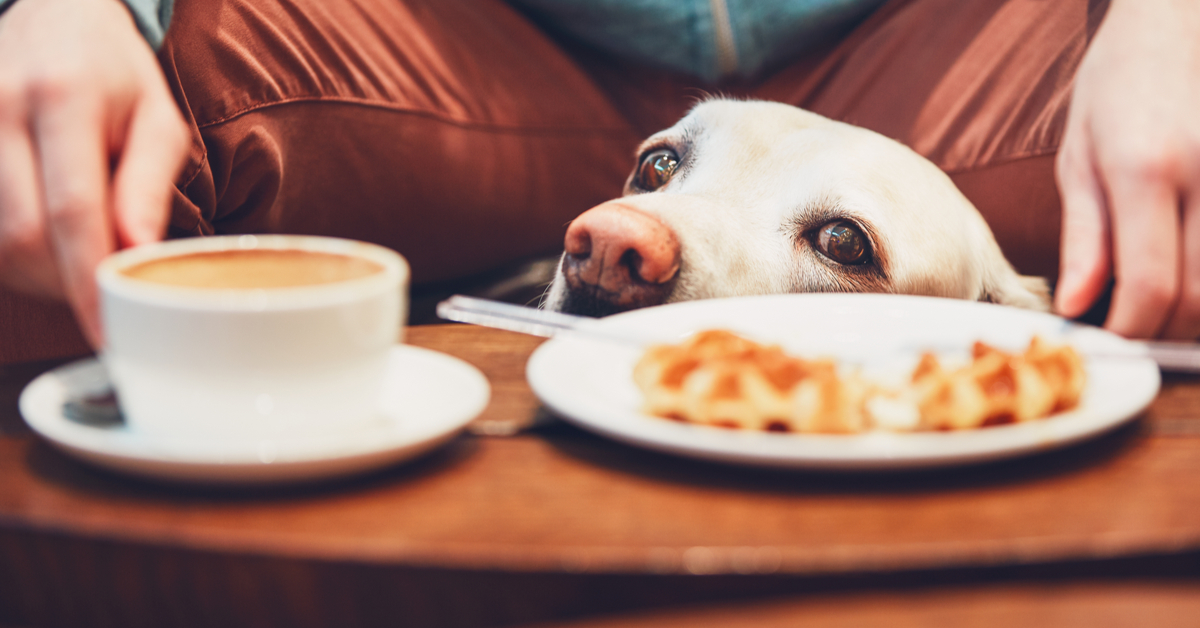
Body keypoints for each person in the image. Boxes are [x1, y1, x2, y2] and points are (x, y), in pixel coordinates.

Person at [0, 0, 1195, 347]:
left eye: (840, 241)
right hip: (486, 44)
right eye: (660, 178)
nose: (627, 232)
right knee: (108, 114)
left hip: (935, 35)